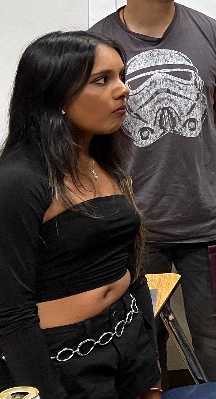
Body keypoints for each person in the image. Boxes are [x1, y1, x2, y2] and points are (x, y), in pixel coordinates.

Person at [90, 0, 216, 385]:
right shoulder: (95, 47)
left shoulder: (213, 35)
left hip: (205, 219)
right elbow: (92, 138)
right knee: (141, 339)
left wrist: (190, 161)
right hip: (132, 227)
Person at [0, 31, 161, 399]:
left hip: (127, 334)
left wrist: (149, 369)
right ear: (55, 96)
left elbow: (132, 268)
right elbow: (10, 312)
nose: (123, 90)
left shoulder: (103, 161)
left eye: (121, 76)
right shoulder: (18, 180)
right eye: (102, 80)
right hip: (63, 361)